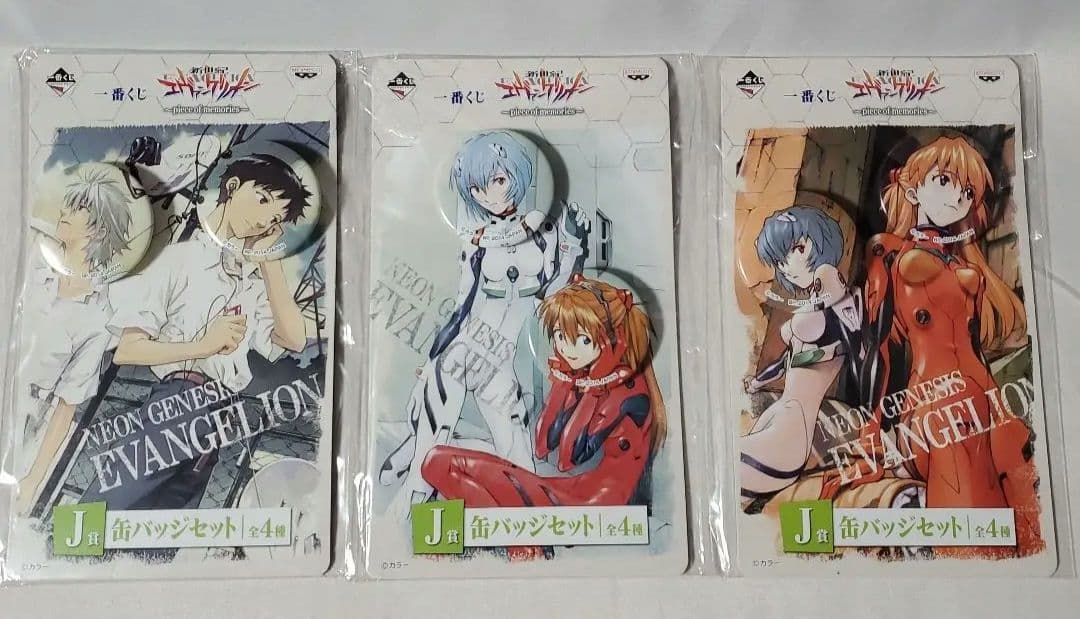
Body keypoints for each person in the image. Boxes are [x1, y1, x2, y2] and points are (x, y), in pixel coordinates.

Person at [820, 135, 1042, 557]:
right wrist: (874, 435)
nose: (958, 198)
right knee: (972, 526)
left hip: (984, 394)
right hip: (937, 402)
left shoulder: (962, 262)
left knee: (1023, 489)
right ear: (911, 188)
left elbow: (974, 348)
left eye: (968, 192)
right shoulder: (887, 254)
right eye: (944, 181)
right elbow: (880, 353)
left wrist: (998, 407)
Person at [80, 153, 310, 510]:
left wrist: (270, 264)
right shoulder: (180, 259)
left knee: (163, 532)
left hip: (220, 419)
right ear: (232, 187)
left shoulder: (252, 282)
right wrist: (204, 345)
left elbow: (294, 339)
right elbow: (128, 350)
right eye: (263, 200)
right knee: (109, 508)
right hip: (177, 402)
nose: (265, 220)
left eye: (277, 219)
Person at [380, 131, 590, 516]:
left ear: (516, 176)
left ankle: (526, 526)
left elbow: (552, 293)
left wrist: (573, 245)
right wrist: (432, 358)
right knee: (429, 454)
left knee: (519, 458)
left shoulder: (544, 229)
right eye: (477, 188)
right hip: (461, 353)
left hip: (500, 363)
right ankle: (411, 492)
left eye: (497, 180)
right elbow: (463, 303)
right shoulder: (475, 240)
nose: (488, 195)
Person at [421, 275, 666, 514]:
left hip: (598, 505)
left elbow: (569, 457)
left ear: (612, 339)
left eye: (582, 339)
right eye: (560, 336)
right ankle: (510, 531)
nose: (567, 349)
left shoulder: (626, 389)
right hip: (578, 491)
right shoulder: (591, 377)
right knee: (439, 461)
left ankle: (514, 535)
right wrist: (567, 382)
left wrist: (592, 385)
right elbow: (542, 444)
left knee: (441, 464)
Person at [16, 165, 132, 515]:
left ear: (98, 229)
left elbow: (66, 406)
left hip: (24, 422)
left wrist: (32, 480)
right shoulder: (31, 265)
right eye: (68, 203)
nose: (64, 212)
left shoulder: (97, 316)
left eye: (78, 207)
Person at [740, 206, 861, 500]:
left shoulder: (836, 301)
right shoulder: (810, 308)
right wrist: (757, 382)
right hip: (776, 416)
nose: (787, 266)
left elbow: (843, 309)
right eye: (779, 261)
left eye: (797, 249)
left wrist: (828, 276)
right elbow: (786, 363)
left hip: (791, 432)